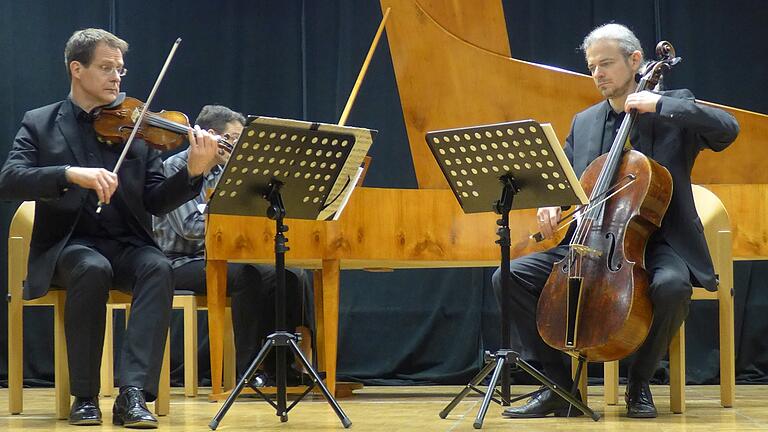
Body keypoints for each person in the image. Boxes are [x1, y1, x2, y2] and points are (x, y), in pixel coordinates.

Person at [493, 23, 739, 419]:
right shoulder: (585, 121)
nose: (598, 74)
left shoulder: (675, 107)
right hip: (592, 243)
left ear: (635, 60)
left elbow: (729, 129)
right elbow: (573, 184)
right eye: (592, 67)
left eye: (606, 64)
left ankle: (640, 383)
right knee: (508, 276)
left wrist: (660, 105)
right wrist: (553, 202)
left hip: (661, 241)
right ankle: (556, 387)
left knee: (672, 287)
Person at [0, 28, 220, 428]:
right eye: (106, 68)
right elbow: (10, 179)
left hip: (125, 243)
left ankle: (133, 394)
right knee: (91, 268)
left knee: (157, 266)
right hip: (69, 245)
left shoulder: (137, 127)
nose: (117, 77)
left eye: (120, 69)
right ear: (77, 69)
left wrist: (192, 172)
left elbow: (155, 200)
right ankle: (84, 396)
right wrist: (70, 173)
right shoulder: (41, 122)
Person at [153, 104, 314, 385]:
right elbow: (190, 227)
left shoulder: (232, 173)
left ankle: (281, 365)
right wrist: (236, 227)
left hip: (224, 256)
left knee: (291, 274)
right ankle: (248, 369)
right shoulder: (176, 167)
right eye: (236, 139)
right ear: (212, 135)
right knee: (247, 276)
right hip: (180, 260)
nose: (241, 146)